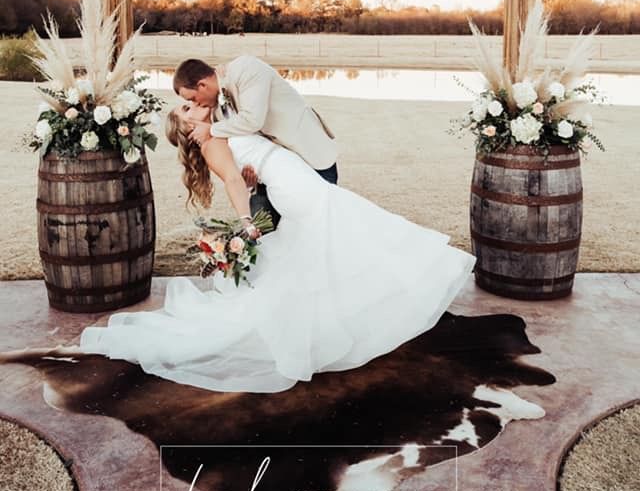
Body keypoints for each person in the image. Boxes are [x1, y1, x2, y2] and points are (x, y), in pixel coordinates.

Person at [75, 103, 476, 394]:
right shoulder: (210, 140)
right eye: (186, 110)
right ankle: (339, 325)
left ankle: (328, 327)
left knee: (329, 247)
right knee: (351, 230)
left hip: (292, 179)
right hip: (297, 190)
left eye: (189, 101)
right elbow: (232, 181)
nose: (194, 105)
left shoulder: (224, 124)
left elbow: (246, 172)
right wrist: (248, 219)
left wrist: (254, 181)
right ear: (188, 128)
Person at [173, 56, 338, 229]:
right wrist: (248, 180)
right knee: (266, 233)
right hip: (272, 176)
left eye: (192, 98)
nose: (195, 103)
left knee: (321, 220)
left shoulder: (246, 69)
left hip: (308, 151)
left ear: (202, 85)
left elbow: (253, 120)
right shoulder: (215, 114)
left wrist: (210, 130)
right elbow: (235, 163)